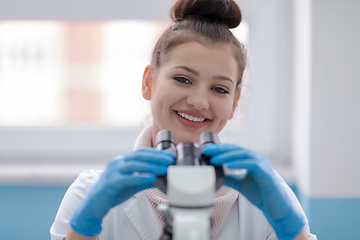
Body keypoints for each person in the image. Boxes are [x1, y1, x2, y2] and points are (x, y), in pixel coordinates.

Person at [50, 0, 317, 239]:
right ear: (149, 83)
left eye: (219, 89)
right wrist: (83, 229)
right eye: (183, 79)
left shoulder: (268, 198)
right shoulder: (90, 194)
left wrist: (292, 231)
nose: (200, 101)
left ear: (234, 103)